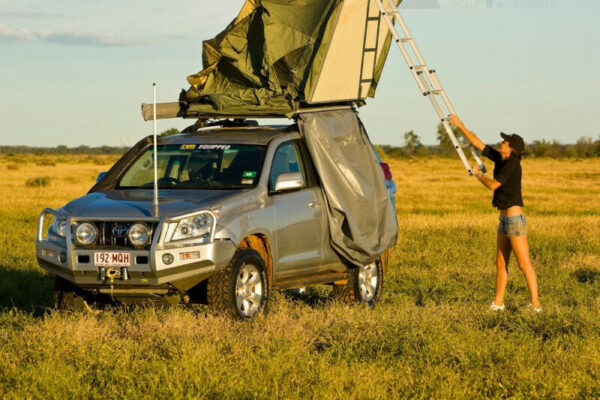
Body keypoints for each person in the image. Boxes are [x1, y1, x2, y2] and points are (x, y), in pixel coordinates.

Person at [447, 114, 542, 312]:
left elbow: (492, 186)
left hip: (515, 221)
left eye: (504, 141)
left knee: (524, 264)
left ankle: (536, 306)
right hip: (504, 220)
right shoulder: (500, 158)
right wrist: (459, 125)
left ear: (511, 148)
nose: (501, 142)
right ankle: (498, 304)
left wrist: (478, 176)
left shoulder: (512, 165)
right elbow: (479, 145)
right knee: (500, 262)